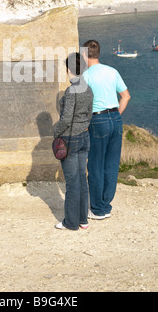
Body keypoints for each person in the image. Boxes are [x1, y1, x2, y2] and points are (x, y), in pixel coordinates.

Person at [83, 40, 131, 220]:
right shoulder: (113, 71)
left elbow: (81, 106)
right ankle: (106, 205)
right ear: (99, 53)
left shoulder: (85, 77)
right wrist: (116, 115)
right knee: (111, 165)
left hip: (98, 119)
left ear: (84, 54)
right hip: (115, 118)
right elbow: (126, 96)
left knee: (95, 165)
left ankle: (97, 209)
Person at [53, 52, 93, 231]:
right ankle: (83, 219)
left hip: (70, 139)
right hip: (85, 136)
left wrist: (55, 132)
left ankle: (70, 222)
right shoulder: (87, 88)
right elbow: (90, 114)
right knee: (82, 179)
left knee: (72, 182)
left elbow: (66, 119)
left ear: (68, 69)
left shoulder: (71, 91)